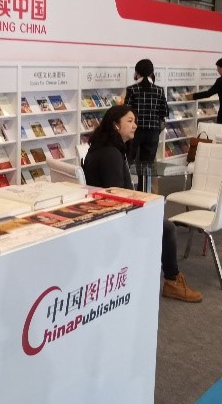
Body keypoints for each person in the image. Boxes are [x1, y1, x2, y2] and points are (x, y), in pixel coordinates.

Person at [82, 105, 201, 303]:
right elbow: (117, 197)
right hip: (114, 218)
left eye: (134, 121)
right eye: (129, 121)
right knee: (168, 228)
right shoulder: (111, 154)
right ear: (115, 125)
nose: (135, 125)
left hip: (101, 213)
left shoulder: (102, 148)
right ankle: (172, 281)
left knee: (158, 215)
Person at [123, 58, 169, 192]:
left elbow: (126, 111)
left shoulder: (132, 89)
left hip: (135, 131)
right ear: (152, 73)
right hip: (152, 133)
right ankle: (144, 192)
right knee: (147, 166)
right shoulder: (159, 90)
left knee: (128, 162)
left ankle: (125, 189)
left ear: (137, 72)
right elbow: (164, 112)